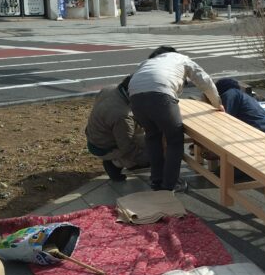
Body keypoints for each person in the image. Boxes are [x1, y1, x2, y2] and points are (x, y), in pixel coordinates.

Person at [128, 46, 221, 193]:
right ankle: (171, 184)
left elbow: (137, 81)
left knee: (152, 137)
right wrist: (217, 103)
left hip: (135, 98)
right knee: (174, 139)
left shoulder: (147, 62)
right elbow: (204, 81)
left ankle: (156, 180)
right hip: (161, 95)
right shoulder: (182, 59)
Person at [85, 75, 148, 182]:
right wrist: (149, 160)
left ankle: (121, 161)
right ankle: (115, 164)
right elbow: (127, 147)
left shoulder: (110, 89)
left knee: (143, 132)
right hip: (103, 147)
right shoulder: (121, 115)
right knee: (151, 144)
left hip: (95, 136)